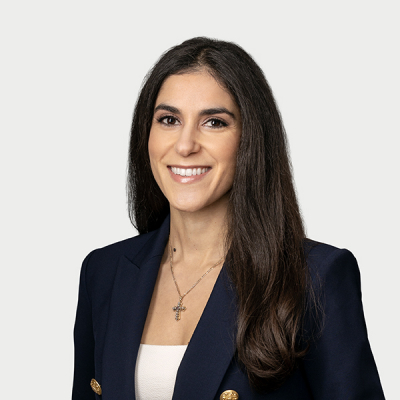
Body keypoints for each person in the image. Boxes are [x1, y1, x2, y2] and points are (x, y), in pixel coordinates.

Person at [72, 37, 385, 399]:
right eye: (169, 120)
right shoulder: (104, 272)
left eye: (214, 122)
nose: (185, 145)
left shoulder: (315, 277)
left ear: (251, 138)